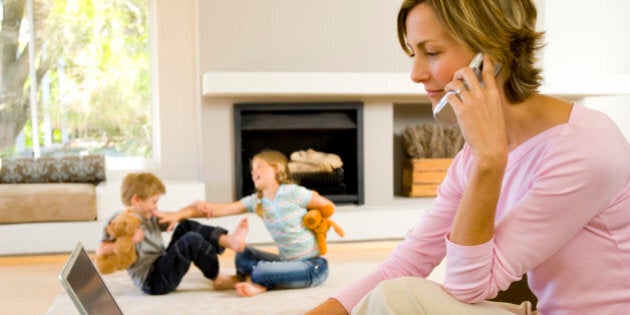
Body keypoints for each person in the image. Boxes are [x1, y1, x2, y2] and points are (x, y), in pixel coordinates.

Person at [307, 0, 630, 314]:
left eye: (431, 52)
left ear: (493, 52)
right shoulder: (475, 152)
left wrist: (490, 161)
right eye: (413, 53)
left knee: (398, 299)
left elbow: (467, 288)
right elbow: (408, 262)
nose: (416, 74)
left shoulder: (585, 146)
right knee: (391, 296)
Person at [200, 149, 335, 297]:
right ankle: (254, 279)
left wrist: (313, 219)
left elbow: (328, 206)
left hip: (312, 267)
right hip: (287, 262)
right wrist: (181, 214)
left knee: (261, 270)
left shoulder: (292, 192)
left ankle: (257, 283)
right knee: (244, 253)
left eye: (258, 166)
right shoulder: (257, 201)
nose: (253, 172)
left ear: (276, 168)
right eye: (251, 170)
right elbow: (224, 209)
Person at [96, 172, 249, 295]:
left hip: (162, 264)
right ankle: (218, 278)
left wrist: (194, 205)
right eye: (154, 201)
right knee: (191, 241)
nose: (156, 206)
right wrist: (131, 241)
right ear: (136, 200)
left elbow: (175, 217)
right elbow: (102, 251)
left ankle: (228, 240)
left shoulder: (149, 216)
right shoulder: (119, 222)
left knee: (185, 225)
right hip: (153, 281)